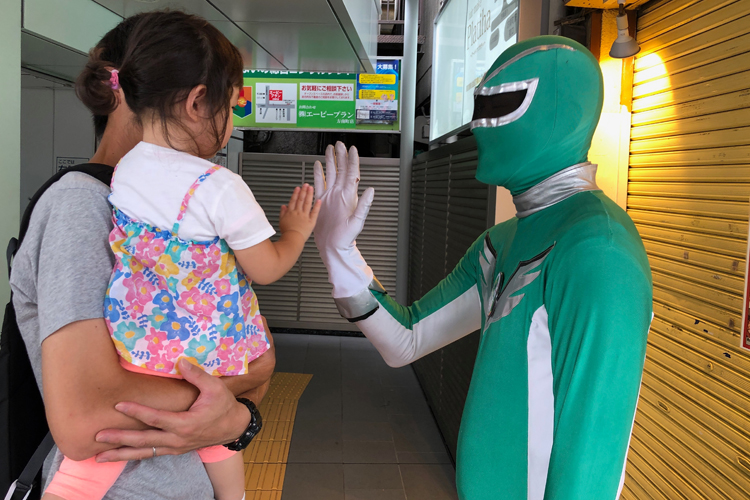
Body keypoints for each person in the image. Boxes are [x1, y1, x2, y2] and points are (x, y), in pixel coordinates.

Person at [312, 36, 653, 499]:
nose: (482, 124)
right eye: (479, 105)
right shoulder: (501, 241)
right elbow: (407, 340)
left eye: (504, 103)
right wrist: (340, 255)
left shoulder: (598, 249)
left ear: (564, 109)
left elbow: (594, 456)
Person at [38, 10, 321, 500]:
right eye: (233, 104)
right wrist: (230, 403)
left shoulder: (126, 191)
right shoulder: (82, 203)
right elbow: (84, 421)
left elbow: (252, 371)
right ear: (196, 101)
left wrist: (235, 413)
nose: (233, 123)